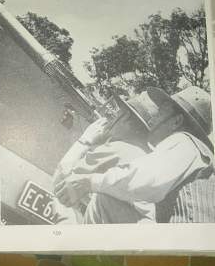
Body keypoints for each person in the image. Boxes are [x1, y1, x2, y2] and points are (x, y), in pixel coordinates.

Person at [60, 86, 214, 223]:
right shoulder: (197, 153)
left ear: (176, 121)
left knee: (104, 199)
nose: (153, 119)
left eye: (160, 113)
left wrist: (89, 182)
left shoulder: (186, 142)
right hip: (188, 241)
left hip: (183, 243)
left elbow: (144, 179)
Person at [53, 91, 161, 223]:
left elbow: (60, 178)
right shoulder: (145, 157)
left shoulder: (118, 149)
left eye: (116, 113)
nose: (111, 119)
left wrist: (85, 139)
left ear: (125, 117)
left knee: (61, 202)